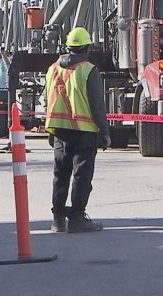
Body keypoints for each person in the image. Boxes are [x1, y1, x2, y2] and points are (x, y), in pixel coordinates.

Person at [46, 27, 110, 233]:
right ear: (87, 48)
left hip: (59, 131)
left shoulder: (53, 69)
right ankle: (76, 218)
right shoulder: (88, 70)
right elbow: (97, 107)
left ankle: (57, 219)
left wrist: (50, 131)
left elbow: (49, 100)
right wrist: (105, 133)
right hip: (83, 131)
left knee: (60, 174)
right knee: (81, 176)